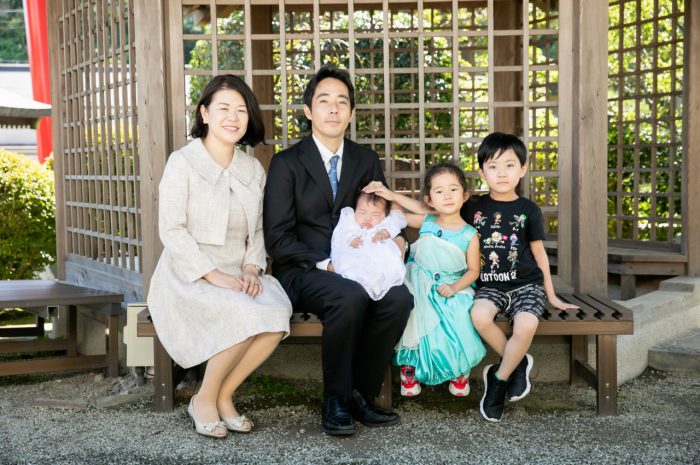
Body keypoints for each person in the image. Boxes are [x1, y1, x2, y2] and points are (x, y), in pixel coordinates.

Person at [263, 66, 412, 436]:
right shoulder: (286, 163)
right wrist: (327, 263)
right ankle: (335, 399)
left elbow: (388, 215)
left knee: (399, 298)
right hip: (305, 269)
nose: (333, 109)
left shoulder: (366, 160)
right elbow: (277, 238)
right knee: (348, 294)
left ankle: (361, 394)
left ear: (351, 112)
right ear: (308, 111)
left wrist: (399, 240)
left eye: (341, 102)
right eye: (324, 101)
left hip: (361, 264)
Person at [147, 75, 292, 438]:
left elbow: (259, 229)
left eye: (241, 110)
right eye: (224, 108)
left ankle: (223, 395)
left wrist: (251, 269)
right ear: (205, 113)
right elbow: (172, 229)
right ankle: (204, 399)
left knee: (275, 316)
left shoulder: (252, 168)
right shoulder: (182, 162)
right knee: (240, 312)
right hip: (189, 275)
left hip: (239, 270)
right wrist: (213, 276)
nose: (233, 117)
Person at [460, 132, 578, 422]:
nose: (501, 173)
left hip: (526, 285)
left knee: (526, 324)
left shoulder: (528, 210)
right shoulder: (472, 207)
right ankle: (519, 361)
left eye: (510, 165)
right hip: (488, 285)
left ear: (523, 169)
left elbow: (539, 255)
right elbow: (435, 213)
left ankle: (498, 380)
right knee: (479, 316)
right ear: (481, 171)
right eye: (493, 166)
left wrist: (551, 295)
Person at [363, 163, 486, 398]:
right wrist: (387, 198)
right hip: (419, 278)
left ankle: (458, 370)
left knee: (460, 311)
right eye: (439, 192)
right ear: (429, 200)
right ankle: (409, 369)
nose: (447, 196)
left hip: (453, 284)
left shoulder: (469, 234)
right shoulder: (427, 221)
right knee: (413, 310)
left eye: (453, 190)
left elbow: (473, 271)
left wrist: (454, 287)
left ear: (465, 195)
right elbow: (397, 215)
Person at [331, 191, 407, 301]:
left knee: (386, 262)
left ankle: (376, 284)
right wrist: (350, 238)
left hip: (378, 257)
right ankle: (360, 286)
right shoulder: (350, 220)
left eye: (375, 215)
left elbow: (396, 223)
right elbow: (341, 233)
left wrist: (384, 233)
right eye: (362, 213)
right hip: (355, 255)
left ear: (385, 215)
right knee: (349, 263)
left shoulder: (385, 223)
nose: (368, 218)